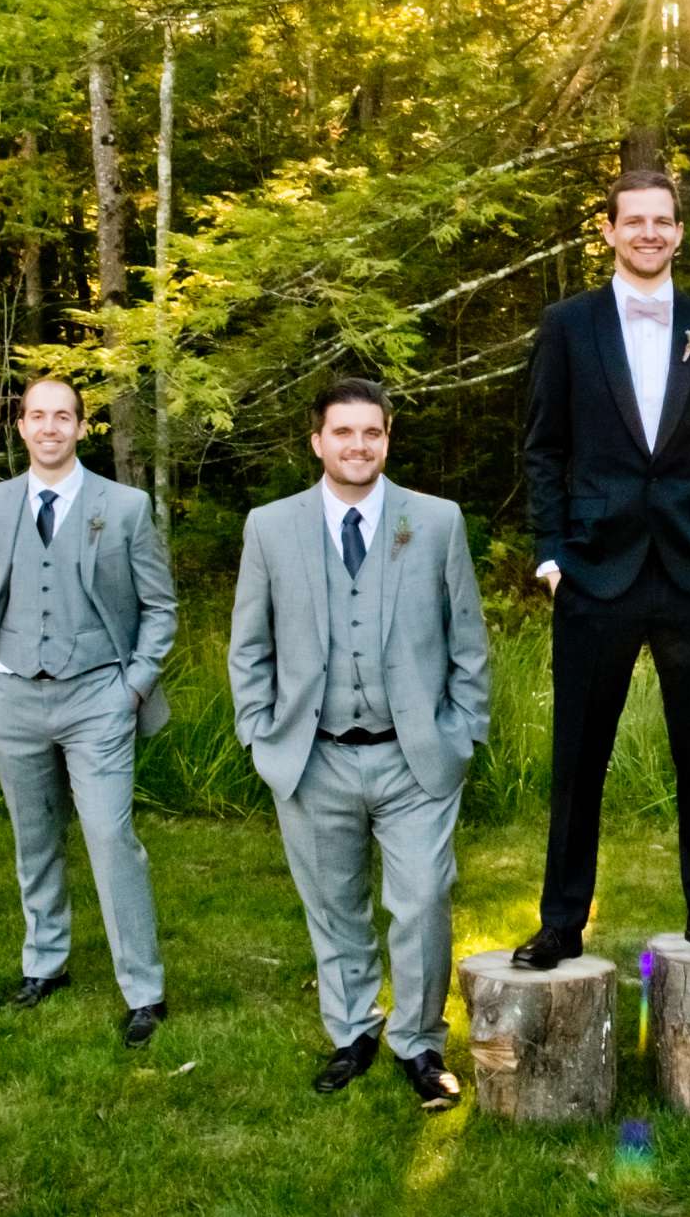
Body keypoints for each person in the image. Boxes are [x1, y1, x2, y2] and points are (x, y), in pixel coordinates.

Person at [512, 169, 690, 971]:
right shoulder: (568, 325)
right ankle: (560, 921)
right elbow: (544, 446)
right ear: (610, 230)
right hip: (594, 568)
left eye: (663, 220)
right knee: (578, 755)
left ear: (680, 233)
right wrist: (551, 553)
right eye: (635, 220)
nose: (650, 232)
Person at [228, 378, 493, 1110]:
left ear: (387, 437)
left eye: (371, 432)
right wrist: (260, 732)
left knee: (423, 899)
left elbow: (468, 641)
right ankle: (352, 1031)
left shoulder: (435, 521)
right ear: (317, 441)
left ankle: (420, 1040)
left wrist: (463, 731)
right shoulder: (270, 526)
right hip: (313, 756)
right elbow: (248, 646)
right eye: (342, 432)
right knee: (334, 904)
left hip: (414, 756)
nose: (357, 445)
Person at [0, 376, 179, 1047]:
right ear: (20, 426)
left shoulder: (126, 506)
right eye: (37, 415)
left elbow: (160, 609)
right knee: (33, 836)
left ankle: (143, 989)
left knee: (111, 839)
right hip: (12, 695)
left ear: (82, 428)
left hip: (97, 699)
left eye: (64, 416)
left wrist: (131, 686)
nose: (50, 427)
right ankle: (43, 962)